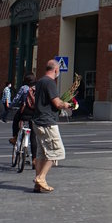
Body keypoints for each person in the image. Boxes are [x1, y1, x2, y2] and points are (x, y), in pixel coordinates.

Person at [32, 60, 69, 193]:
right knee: (57, 152)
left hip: (37, 121)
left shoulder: (40, 81)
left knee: (42, 153)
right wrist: (66, 104)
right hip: (47, 122)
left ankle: (38, 184)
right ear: (55, 70)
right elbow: (57, 103)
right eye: (58, 70)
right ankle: (41, 178)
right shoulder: (50, 83)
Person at [9, 71, 37, 164]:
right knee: (33, 136)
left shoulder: (24, 88)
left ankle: (15, 137)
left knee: (16, 119)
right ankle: (34, 159)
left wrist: (11, 105)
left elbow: (16, 99)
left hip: (24, 112)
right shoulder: (38, 88)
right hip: (34, 114)